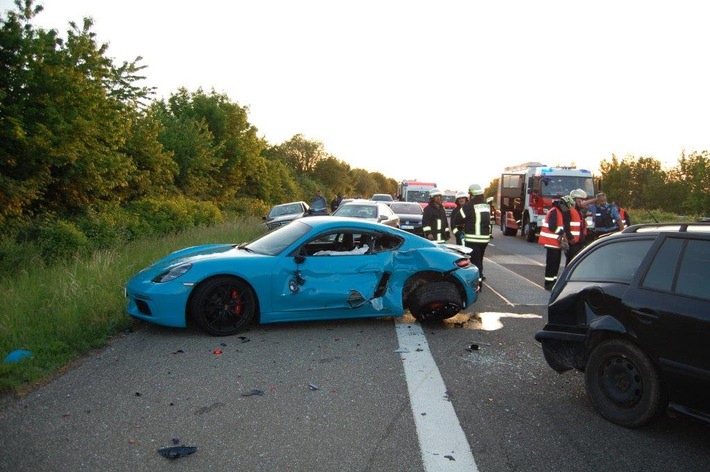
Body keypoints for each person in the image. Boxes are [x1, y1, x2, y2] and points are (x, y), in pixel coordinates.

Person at [538, 195, 582, 290]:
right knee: (552, 264)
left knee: (555, 264)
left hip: (555, 243)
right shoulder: (555, 211)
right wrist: (563, 233)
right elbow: (552, 226)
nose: (569, 208)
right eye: (569, 205)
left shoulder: (558, 211)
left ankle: (552, 282)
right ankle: (549, 283)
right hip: (551, 242)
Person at [457, 183, 492, 286]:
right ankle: (479, 282)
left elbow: (458, 219)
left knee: (474, 263)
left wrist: (462, 225)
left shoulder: (469, 205)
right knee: (479, 261)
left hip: (473, 239)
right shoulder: (486, 205)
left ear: (471, 194)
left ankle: (477, 284)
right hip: (484, 239)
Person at [567, 189, 589, 261]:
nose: (581, 201)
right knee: (571, 261)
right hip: (573, 242)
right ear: (573, 199)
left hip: (579, 241)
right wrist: (570, 237)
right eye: (579, 199)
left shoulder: (578, 211)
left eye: (581, 199)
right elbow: (566, 226)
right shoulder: (570, 210)